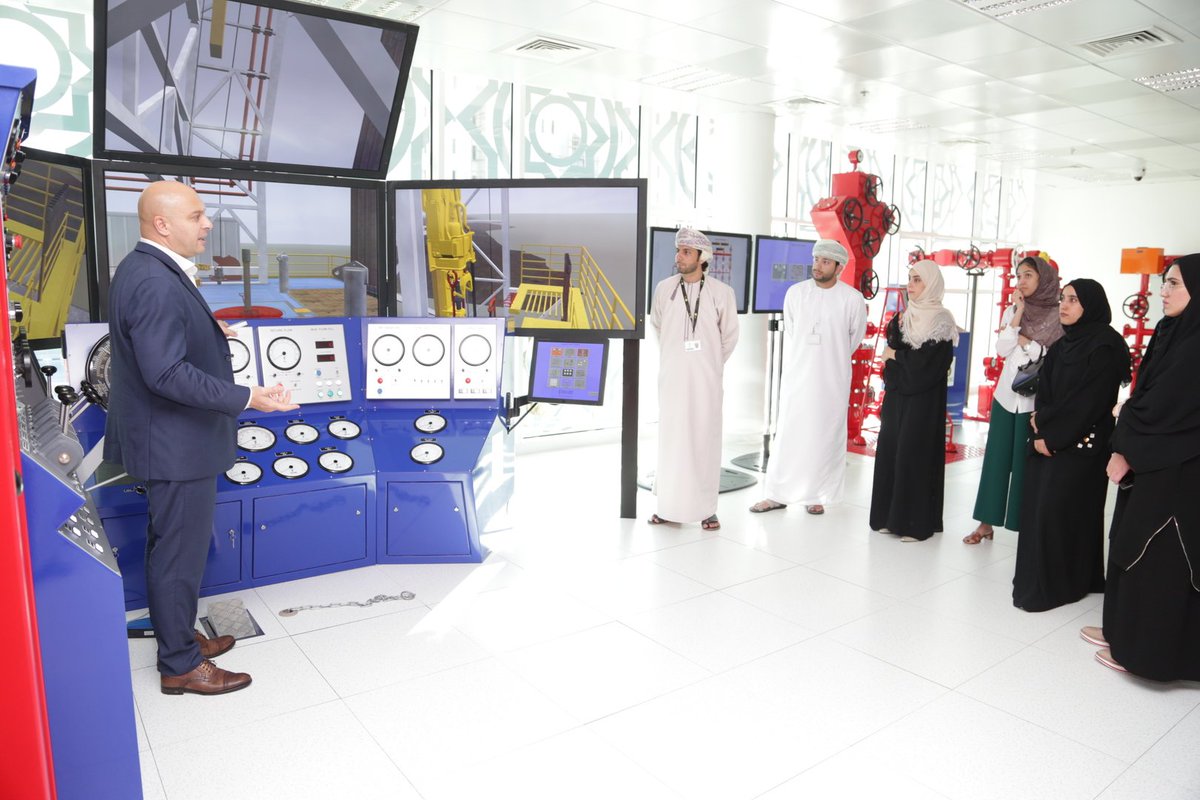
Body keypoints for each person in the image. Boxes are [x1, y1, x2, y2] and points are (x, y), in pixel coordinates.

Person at [105, 181, 298, 696]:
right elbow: (165, 373)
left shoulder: (146, 268)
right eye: (196, 216)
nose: (207, 224)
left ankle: (176, 636)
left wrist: (208, 330)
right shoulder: (154, 280)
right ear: (162, 224)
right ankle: (181, 665)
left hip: (168, 439)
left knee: (169, 547)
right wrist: (247, 397)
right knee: (179, 555)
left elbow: (162, 339)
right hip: (176, 444)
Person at [1090, 256, 1200, 680]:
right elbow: (1146, 397)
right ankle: (1120, 631)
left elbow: (1163, 407)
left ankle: (1150, 654)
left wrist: (1126, 425)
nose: (1163, 292)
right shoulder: (1174, 330)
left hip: (1179, 468)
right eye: (1163, 283)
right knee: (1129, 543)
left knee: (1160, 558)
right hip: (1154, 459)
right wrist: (1128, 424)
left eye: (1173, 283)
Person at [1011, 279, 1130, 612]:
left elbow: (1091, 402)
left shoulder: (1107, 346)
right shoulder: (1064, 345)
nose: (1064, 305)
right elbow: (1045, 394)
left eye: (1073, 300)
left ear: (1090, 305)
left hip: (1083, 445)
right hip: (1051, 435)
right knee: (1039, 506)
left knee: (1062, 511)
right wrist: (1040, 432)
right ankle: (1063, 577)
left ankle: (1058, 585)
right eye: (1063, 299)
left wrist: (1051, 436)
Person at [750, 239, 866, 516]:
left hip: (832, 381)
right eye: (816, 260)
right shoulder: (796, 293)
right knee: (790, 434)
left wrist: (829, 357)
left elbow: (854, 337)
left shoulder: (851, 299)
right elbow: (793, 329)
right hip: (798, 378)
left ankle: (819, 495)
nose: (818, 266)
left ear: (839, 267)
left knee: (825, 436)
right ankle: (776, 495)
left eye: (825, 261)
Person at [964, 256, 1062, 543]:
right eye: (1019, 276)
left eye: (1028, 275)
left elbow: (1049, 357)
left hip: (1034, 402)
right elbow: (1003, 348)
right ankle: (985, 524)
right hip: (1006, 397)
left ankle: (1024, 524)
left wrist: (1027, 343)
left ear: (1043, 278)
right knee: (995, 460)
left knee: (1025, 463)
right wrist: (1018, 314)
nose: (1021, 281)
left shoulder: (1058, 316)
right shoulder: (1013, 310)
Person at [649, 227, 739, 531]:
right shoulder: (664, 289)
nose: (679, 256)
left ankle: (706, 509)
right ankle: (667, 506)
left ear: (703, 257)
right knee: (672, 440)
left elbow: (729, 337)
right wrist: (680, 358)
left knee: (704, 439)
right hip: (673, 378)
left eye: (686, 252)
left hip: (707, 382)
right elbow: (658, 326)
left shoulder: (722, 293)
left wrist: (708, 364)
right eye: (678, 251)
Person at [869, 260, 957, 542]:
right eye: (910, 278)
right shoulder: (901, 320)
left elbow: (928, 368)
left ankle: (915, 524)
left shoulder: (941, 321)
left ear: (931, 283)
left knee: (913, 454)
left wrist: (897, 358)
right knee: (891, 450)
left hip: (924, 402)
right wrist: (899, 363)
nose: (911, 284)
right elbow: (889, 366)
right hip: (897, 399)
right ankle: (889, 519)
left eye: (918, 279)